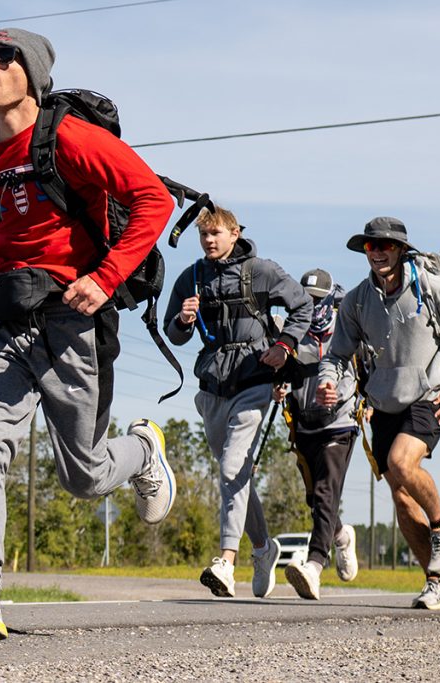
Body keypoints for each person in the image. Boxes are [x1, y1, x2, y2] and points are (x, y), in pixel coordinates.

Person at [0, 28, 176, 642]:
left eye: (3, 59)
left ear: (33, 71)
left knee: (82, 474)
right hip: (5, 320)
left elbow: (153, 201)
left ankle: (141, 453)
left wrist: (105, 280)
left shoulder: (71, 139)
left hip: (72, 320)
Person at [317, 217, 440, 610]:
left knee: (401, 463)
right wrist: (327, 379)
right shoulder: (357, 300)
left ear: (401, 250)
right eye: (371, 247)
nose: (377, 253)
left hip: (430, 394)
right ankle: (436, 582)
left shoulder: (429, 288)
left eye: (385, 246)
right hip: (384, 402)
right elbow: (338, 353)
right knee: (403, 500)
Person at [163, 204, 312, 599]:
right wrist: (183, 320)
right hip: (213, 384)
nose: (209, 241)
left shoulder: (261, 271)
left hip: (254, 378)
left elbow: (303, 306)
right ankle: (264, 549)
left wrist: (284, 346)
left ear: (234, 233)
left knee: (231, 467)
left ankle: (226, 562)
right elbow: (172, 333)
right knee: (236, 472)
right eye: (204, 235)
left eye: (216, 234)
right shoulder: (192, 277)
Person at [275, 268, 360, 600]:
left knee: (326, 492)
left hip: (340, 420)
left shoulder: (348, 327)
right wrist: (278, 389)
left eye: (317, 301)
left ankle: (314, 565)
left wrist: (341, 394)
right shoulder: (289, 330)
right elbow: (280, 370)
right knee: (315, 498)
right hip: (304, 422)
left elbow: (364, 368)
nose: (310, 307)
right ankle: (341, 536)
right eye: (304, 300)